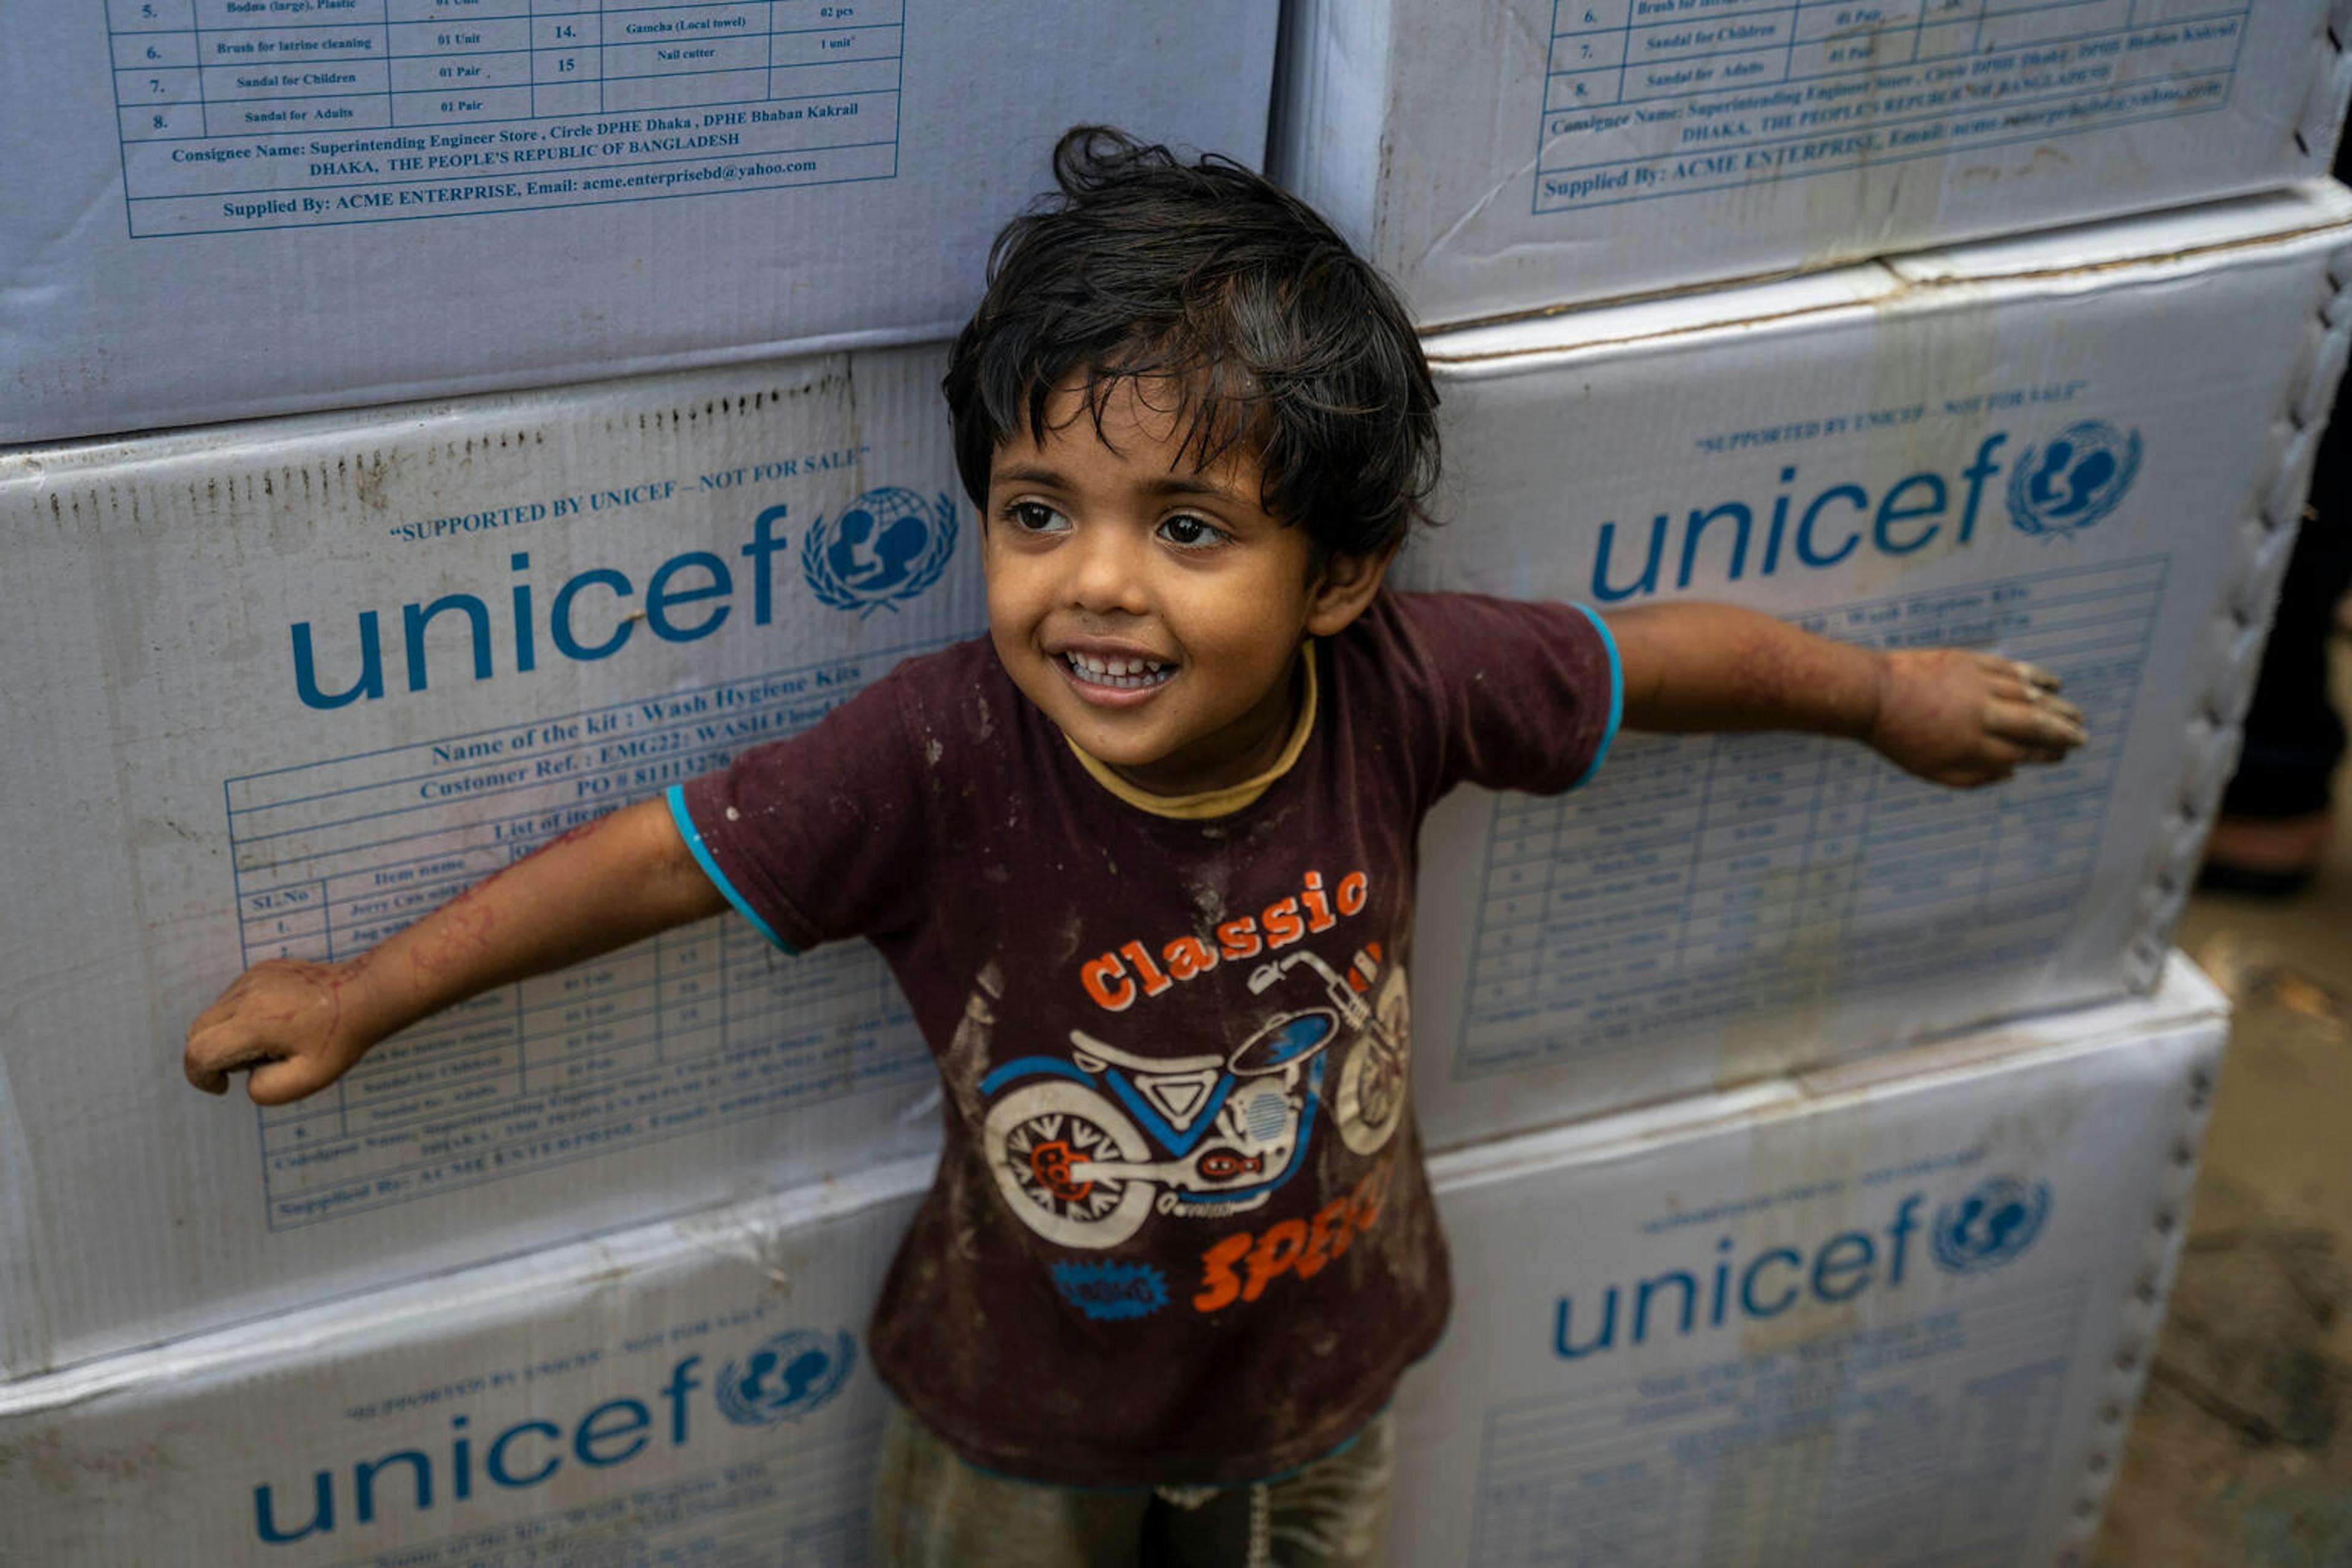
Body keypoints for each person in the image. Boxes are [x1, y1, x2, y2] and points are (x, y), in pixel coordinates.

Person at [182, 127, 2088, 1567]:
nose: (1097, 583)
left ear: (1340, 574)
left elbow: (1653, 660)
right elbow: (661, 860)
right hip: (1019, 1408)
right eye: (1039, 508)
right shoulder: (936, 752)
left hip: (1329, 1373)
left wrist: (1878, 691)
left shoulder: (1410, 686)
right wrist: (367, 990)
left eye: (1189, 527)